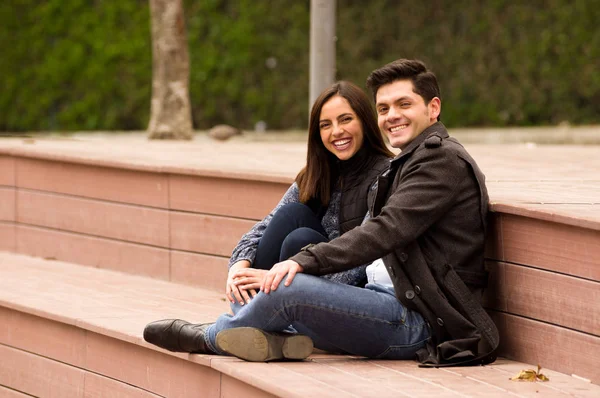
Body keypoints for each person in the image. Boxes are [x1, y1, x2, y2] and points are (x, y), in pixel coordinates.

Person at [144, 59, 499, 367]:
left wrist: (303, 261)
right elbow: (273, 224)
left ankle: (210, 336)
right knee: (289, 257)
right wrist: (246, 262)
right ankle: (265, 335)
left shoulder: (440, 162)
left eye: (404, 104)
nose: (392, 116)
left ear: (433, 108)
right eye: (385, 108)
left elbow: (384, 231)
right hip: (387, 304)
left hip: (420, 323)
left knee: (287, 286)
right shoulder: (410, 161)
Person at [225, 81, 393, 307]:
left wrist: (277, 281)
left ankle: (255, 314)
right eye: (325, 125)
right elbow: (261, 230)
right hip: (297, 279)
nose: (336, 131)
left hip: (351, 292)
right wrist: (238, 269)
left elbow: (364, 258)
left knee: (300, 240)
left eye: (345, 119)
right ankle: (249, 311)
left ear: (364, 121)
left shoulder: (386, 175)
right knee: (291, 214)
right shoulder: (316, 175)